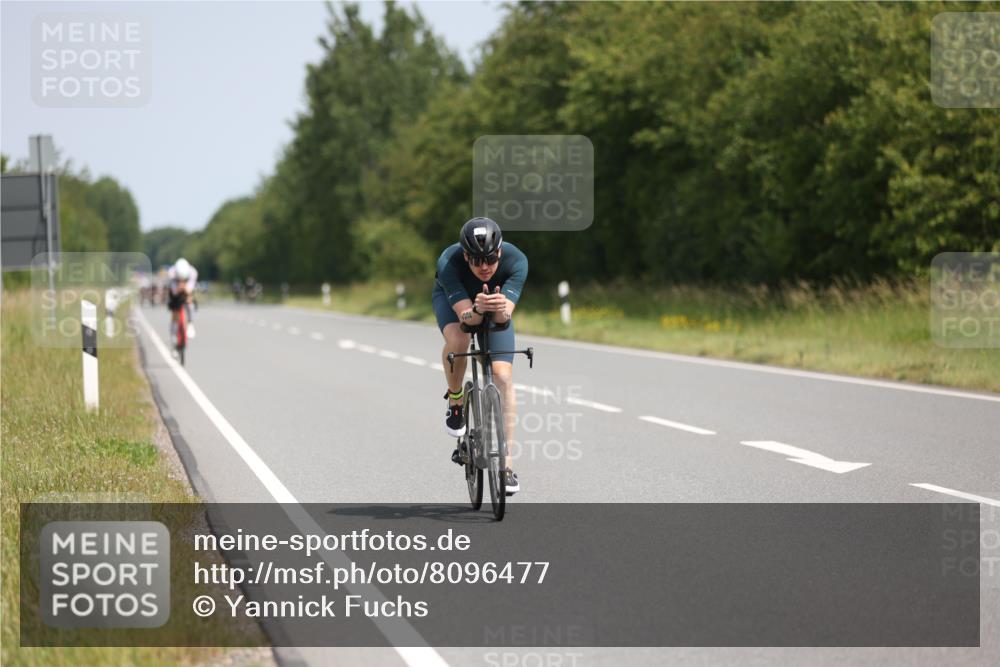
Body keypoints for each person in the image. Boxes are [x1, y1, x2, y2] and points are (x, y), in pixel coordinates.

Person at [432, 217, 528, 494]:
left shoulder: (516, 261)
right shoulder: (449, 263)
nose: (483, 266)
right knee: (459, 339)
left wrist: (497, 307)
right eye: (475, 260)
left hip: (494, 308)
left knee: (502, 375)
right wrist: (476, 309)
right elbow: (466, 320)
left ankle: (506, 466)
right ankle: (456, 400)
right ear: (465, 256)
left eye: (489, 259)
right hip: (458, 303)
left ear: (499, 252)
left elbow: (503, 319)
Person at [167, 258, 198, 342]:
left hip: (187, 290)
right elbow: (174, 292)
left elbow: (190, 290)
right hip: (175, 290)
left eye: (184, 279)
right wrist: (178, 288)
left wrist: (185, 288)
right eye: (179, 279)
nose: (181, 281)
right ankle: (173, 336)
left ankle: (190, 322)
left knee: (189, 300)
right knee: (175, 312)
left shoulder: (193, 272)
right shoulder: (171, 273)